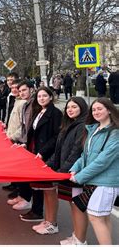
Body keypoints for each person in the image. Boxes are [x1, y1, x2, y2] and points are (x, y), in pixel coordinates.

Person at [31, 97, 88, 240]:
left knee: (77, 205)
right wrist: (48, 164)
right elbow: (60, 149)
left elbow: (76, 152)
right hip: (64, 171)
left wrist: (61, 172)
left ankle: (80, 239)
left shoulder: (82, 126)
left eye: (74, 107)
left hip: (74, 173)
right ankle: (58, 228)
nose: (70, 110)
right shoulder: (69, 124)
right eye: (68, 107)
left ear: (82, 108)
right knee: (71, 202)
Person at [69, 98, 118, 245]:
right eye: (94, 110)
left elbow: (102, 161)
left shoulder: (115, 134)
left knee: (96, 217)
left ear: (109, 110)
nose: (96, 112)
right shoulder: (93, 130)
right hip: (95, 181)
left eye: (100, 109)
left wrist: (80, 177)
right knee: (103, 217)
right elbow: (85, 155)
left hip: (106, 182)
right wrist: (75, 168)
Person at [19, 87, 62, 223]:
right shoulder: (39, 111)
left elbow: (56, 136)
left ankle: (39, 212)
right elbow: (33, 131)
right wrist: (26, 144)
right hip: (33, 149)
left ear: (50, 97)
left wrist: (43, 152)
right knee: (35, 181)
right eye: (39, 96)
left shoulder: (55, 113)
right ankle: (35, 209)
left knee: (43, 184)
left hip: (44, 152)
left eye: (44, 96)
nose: (41, 98)